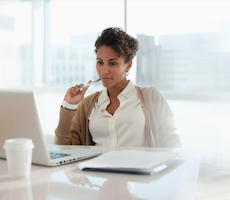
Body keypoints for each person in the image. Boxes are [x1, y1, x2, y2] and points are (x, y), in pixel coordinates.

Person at [54, 27, 181, 148]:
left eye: (112, 63)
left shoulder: (151, 96)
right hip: (97, 170)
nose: (104, 70)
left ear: (128, 65)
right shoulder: (88, 105)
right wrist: (70, 105)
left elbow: (171, 140)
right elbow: (64, 150)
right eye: (100, 62)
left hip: (139, 169)